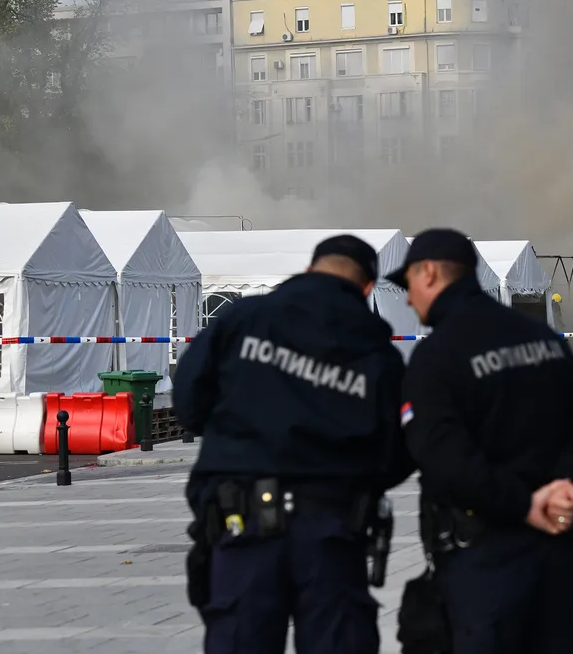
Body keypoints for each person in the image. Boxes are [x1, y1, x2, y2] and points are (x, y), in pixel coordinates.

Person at [173, 235, 415, 654]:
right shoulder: (376, 350)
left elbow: (189, 401)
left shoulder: (242, 318)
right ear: (367, 288)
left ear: (308, 270)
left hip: (241, 522)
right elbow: (400, 447)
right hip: (333, 531)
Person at [390, 229, 573, 654]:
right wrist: (570, 487)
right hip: (555, 551)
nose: (406, 300)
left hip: (483, 557)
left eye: (408, 284)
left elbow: (443, 457)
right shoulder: (539, 337)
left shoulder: (437, 355)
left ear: (430, 274)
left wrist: (523, 505)